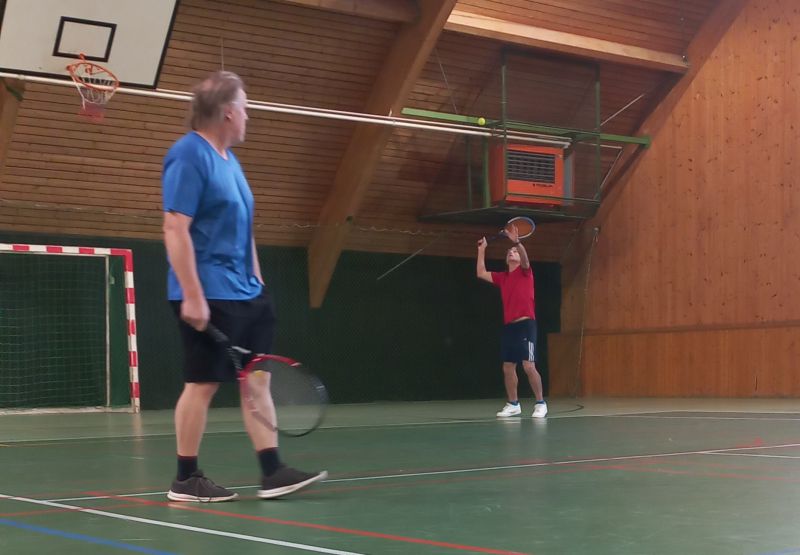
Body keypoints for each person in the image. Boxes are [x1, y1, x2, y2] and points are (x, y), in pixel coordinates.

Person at [162, 70, 326, 502]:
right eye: (246, 108)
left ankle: (273, 472)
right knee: (202, 383)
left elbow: (244, 229)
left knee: (258, 381)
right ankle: (186, 479)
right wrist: (192, 294)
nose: (249, 116)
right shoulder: (188, 155)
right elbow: (175, 227)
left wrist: (258, 280)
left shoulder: (231, 162)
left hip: (247, 293)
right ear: (228, 113)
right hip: (209, 291)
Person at [476, 224, 547, 418]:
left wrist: (517, 242)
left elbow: (525, 259)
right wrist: (482, 250)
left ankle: (540, 403)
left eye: (514, 251)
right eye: (509, 252)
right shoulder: (503, 278)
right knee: (508, 367)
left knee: (528, 366)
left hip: (527, 325)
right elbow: (481, 272)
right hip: (510, 327)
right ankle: (513, 404)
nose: (512, 253)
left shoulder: (525, 272)